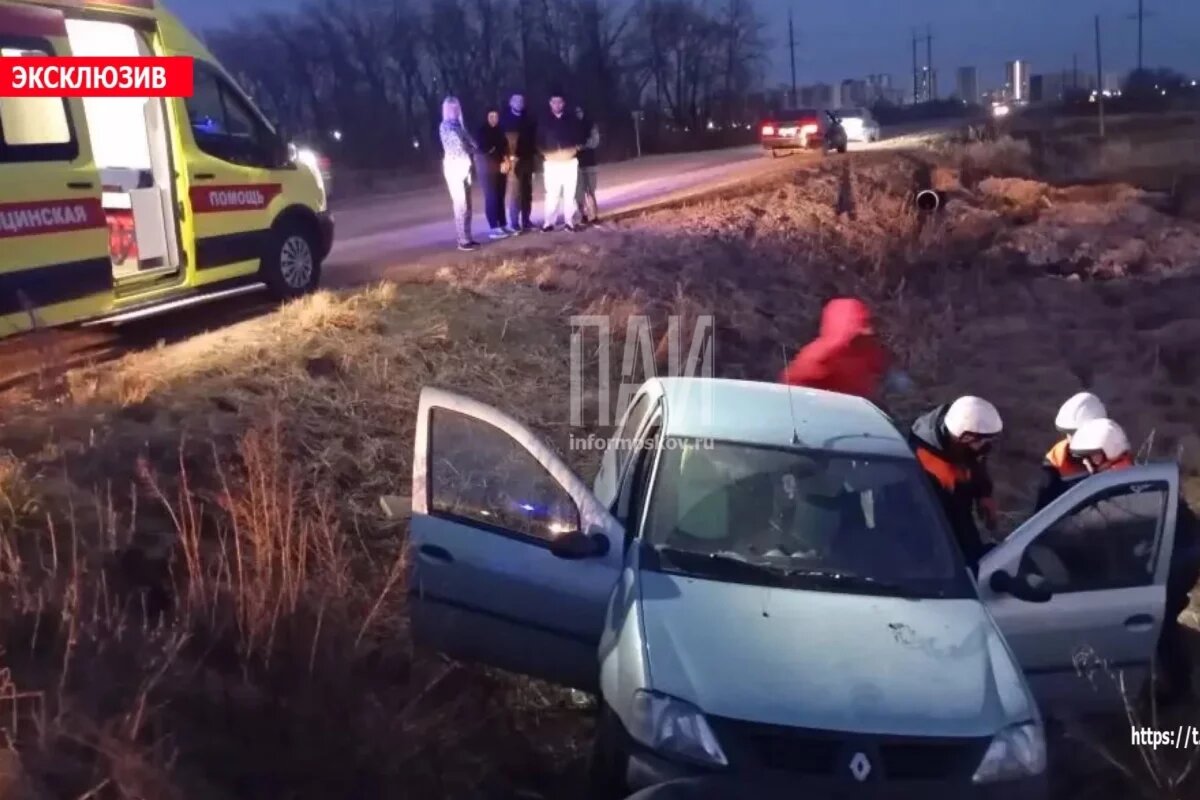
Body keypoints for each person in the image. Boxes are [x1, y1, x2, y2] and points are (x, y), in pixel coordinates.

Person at [1067, 418, 1198, 704]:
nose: (1088, 465)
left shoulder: (1125, 487)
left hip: (1171, 566)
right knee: (1161, 624)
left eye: (1092, 458)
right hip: (1174, 560)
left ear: (1109, 452)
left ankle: (1177, 689)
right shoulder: (1129, 477)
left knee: (1161, 626)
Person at [909, 396, 1003, 573]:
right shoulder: (923, 463)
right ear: (966, 438)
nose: (987, 447)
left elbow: (976, 462)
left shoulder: (961, 434)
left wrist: (984, 494)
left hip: (959, 507)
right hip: (932, 521)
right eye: (984, 441)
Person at [779, 297, 914, 401]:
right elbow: (792, 389)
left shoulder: (867, 348)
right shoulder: (818, 358)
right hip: (827, 418)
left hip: (860, 412)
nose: (860, 337)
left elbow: (883, 364)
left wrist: (899, 382)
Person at [1033, 392, 1109, 511]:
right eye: (1069, 434)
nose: (1071, 440)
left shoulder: (1113, 452)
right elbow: (1042, 515)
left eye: (1077, 434)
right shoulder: (1056, 460)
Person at [537, 88, 584, 232]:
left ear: (563, 104)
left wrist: (575, 149)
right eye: (554, 102)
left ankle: (570, 222)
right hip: (552, 163)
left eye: (559, 102)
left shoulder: (572, 119)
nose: (557, 105)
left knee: (570, 193)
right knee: (552, 194)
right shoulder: (543, 120)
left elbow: (581, 137)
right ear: (550, 103)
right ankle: (549, 222)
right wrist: (544, 153)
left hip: (569, 162)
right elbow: (537, 140)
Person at [438, 96, 480, 251]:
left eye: (456, 108)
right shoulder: (446, 127)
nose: (454, 111)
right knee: (460, 204)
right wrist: (470, 147)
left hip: (465, 167)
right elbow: (460, 146)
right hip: (454, 167)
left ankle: (467, 237)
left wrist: (472, 147)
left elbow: (473, 143)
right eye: (451, 108)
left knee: (468, 205)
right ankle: (462, 240)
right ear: (446, 110)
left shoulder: (460, 126)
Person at [500, 92, 536, 233]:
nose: (519, 103)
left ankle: (526, 221)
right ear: (511, 103)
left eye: (521, 100)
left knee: (527, 192)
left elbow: (534, 139)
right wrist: (508, 157)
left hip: (528, 159)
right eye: (516, 100)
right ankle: (514, 223)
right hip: (514, 161)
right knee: (515, 192)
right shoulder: (505, 120)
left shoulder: (529, 119)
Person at [475, 107, 511, 240]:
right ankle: (493, 227)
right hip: (487, 170)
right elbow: (486, 150)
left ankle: (503, 224)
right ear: (486, 117)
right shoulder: (482, 132)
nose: (494, 119)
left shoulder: (500, 131)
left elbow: (504, 147)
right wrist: (499, 158)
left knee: (500, 196)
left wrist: (506, 160)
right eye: (491, 116)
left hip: (501, 168)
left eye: (496, 116)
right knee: (491, 197)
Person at [574, 105, 601, 225]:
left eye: (580, 111)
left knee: (591, 191)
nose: (578, 114)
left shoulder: (591, 125)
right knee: (579, 192)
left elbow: (595, 142)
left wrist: (582, 146)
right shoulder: (570, 126)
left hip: (590, 163)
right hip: (575, 164)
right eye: (576, 112)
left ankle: (593, 215)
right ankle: (582, 215)